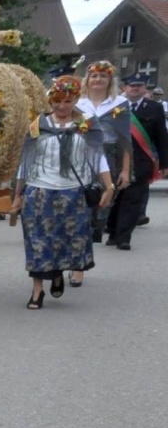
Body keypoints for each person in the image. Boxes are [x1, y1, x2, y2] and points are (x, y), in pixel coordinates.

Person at [9, 76, 112, 309]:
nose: (61, 106)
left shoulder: (87, 125)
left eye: (67, 101)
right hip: (40, 191)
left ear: (76, 99)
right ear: (50, 101)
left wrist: (109, 185)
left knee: (66, 241)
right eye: (56, 101)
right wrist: (18, 194)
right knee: (37, 241)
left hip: (73, 194)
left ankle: (57, 273)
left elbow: (98, 158)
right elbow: (25, 162)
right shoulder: (37, 125)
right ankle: (37, 291)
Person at [74, 61, 130, 283]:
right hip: (80, 161)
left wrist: (126, 170)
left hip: (110, 161)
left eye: (102, 76)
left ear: (110, 80)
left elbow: (126, 140)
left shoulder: (120, 103)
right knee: (78, 214)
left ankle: (82, 259)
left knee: (97, 216)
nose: (98, 80)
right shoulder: (78, 103)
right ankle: (77, 266)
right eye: (94, 76)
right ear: (87, 80)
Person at [109, 73, 168, 248]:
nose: (135, 88)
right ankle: (112, 231)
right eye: (131, 85)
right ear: (124, 88)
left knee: (133, 199)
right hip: (116, 159)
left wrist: (165, 163)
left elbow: (161, 137)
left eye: (139, 86)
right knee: (115, 197)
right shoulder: (115, 106)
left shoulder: (154, 108)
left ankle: (124, 237)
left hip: (141, 160)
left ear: (144, 89)